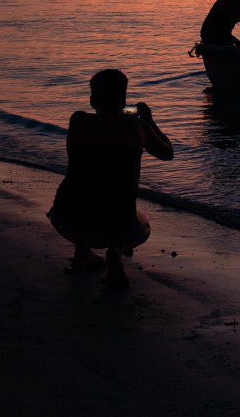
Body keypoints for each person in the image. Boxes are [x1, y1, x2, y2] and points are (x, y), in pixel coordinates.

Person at [48, 69, 174, 287]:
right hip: (119, 226)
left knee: (87, 188)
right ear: (124, 100)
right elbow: (168, 153)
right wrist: (149, 122)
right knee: (138, 218)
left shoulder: (77, 121)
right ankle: (114, 253)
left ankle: (82, 252)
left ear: (92, 100)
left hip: (68, 219)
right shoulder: (138, 127)